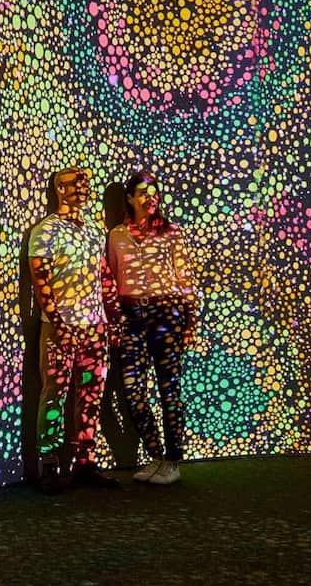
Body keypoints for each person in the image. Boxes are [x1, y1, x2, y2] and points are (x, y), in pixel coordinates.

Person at [28, 166, 120, 493]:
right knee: (54, 394)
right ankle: (49, 464)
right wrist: (56, 320)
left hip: (95, 326)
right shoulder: (45, 231)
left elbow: (104, 277)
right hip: (60, 327)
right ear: (58, 189)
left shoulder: (95, 231)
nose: (80, 189)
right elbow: (41, 282)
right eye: (72, 184)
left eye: (84, 184)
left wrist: (113, 317)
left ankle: (85, 461)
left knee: (91, 396)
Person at [106, 171, 199, 486]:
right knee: (133, 391)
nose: (150, 198)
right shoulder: (116, 235)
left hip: (166, 313)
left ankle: (173, 460)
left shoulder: (172, 233)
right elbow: (113, 279)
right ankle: (157, 454)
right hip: (132, 315)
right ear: (130, 199)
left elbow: (185, 278)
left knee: (168, 389)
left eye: (154, 192)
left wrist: (191, 320)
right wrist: (115, 318)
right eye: (142, 192)